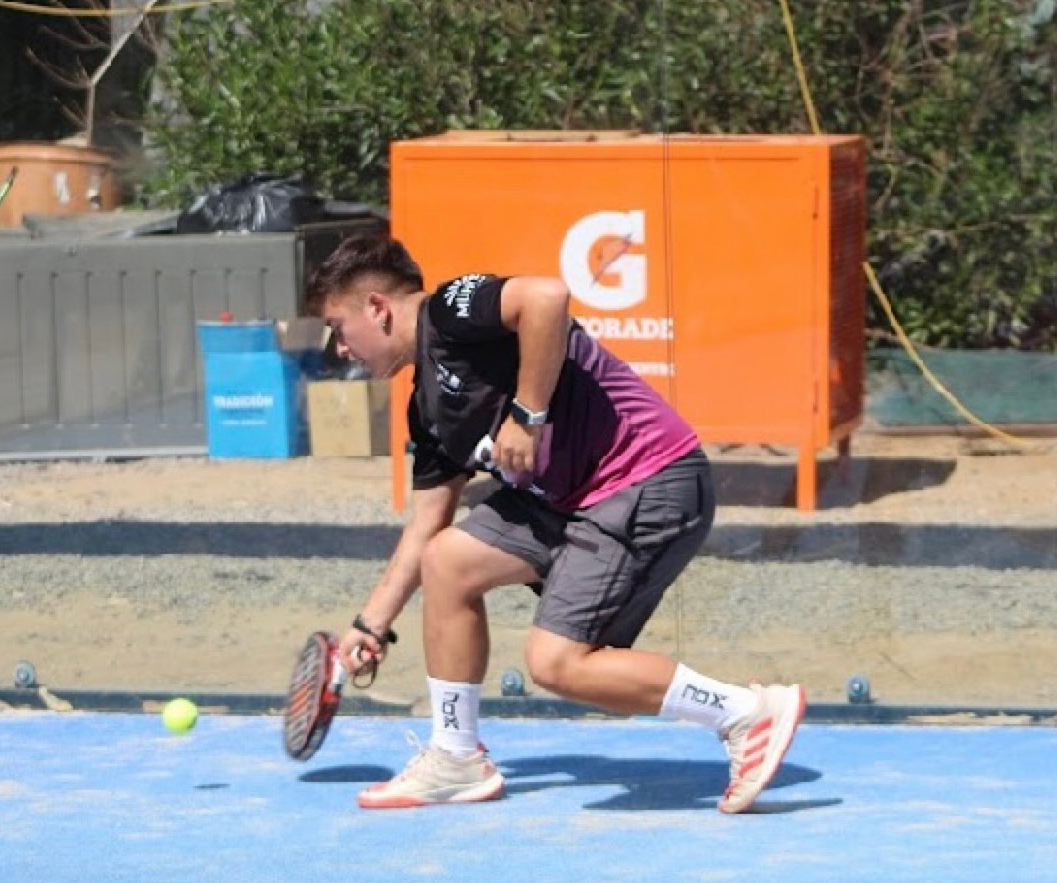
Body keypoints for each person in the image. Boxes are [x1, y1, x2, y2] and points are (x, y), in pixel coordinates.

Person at [307, 232, 805, 814]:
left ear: (377, 308)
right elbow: (425, 527)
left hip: (648, 480)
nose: (340, 348)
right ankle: (456, 757)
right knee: (446, 560)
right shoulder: (429, 410)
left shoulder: (449, 311)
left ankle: (745, 713)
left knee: (556, 664)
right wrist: (369, 627)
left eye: (338, 327)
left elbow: (546, 297)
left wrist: (526, 416)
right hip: (567, 500)